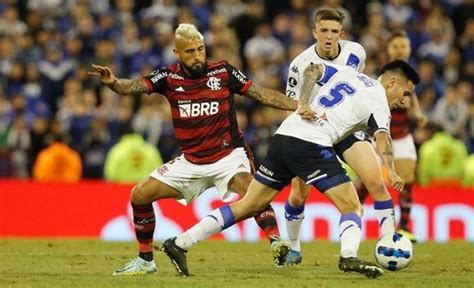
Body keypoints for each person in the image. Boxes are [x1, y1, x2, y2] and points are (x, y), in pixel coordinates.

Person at [161, 60, 418, 279]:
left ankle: (180, 243)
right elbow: (383, 138)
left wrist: (303, 102)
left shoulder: (349, 74)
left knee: (249, 205)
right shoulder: (380, 101)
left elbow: (311, 70)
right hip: (312, 144)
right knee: (352, 206)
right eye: (406, 93)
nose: (405, 101)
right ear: (392, 82)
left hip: (284, 136)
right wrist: (391, 169)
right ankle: (348, 257)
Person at [89, 23, 297, 276]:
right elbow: (134, 87)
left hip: (228, 156)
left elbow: (260, 94)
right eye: (190, 51)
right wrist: (113, 83)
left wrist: (296, 106)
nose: (198, 55)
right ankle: (146, 260)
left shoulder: (222, 71)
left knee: (252, 190)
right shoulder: (168, 77)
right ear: (177, 53)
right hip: (191, 161)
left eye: (200, 49)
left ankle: (277, 241)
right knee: (139, 195)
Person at [283, 8, 397, 266]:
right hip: (312, 132)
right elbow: (291, 105)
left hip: (346, 131)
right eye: (323, 30)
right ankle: (293, 247)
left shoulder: (356, 52)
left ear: (341, 34)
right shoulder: (299, 65)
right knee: (299, 195)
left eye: (334, 31)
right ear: (315, 32)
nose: (328, 36)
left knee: (376, 182)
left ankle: (389, 242)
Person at [358, 30, 428, 242]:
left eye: (403, 46)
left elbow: (412, 100)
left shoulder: (409, 77)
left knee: (407, 179)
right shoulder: (383, 75)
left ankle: (404, 227)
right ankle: (353, 211)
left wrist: (417, 114)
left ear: (409, 48)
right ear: (388, 49)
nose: (400, 50)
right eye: (396, 46)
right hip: (378, 133)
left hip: (401, 134)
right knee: (370, 180)